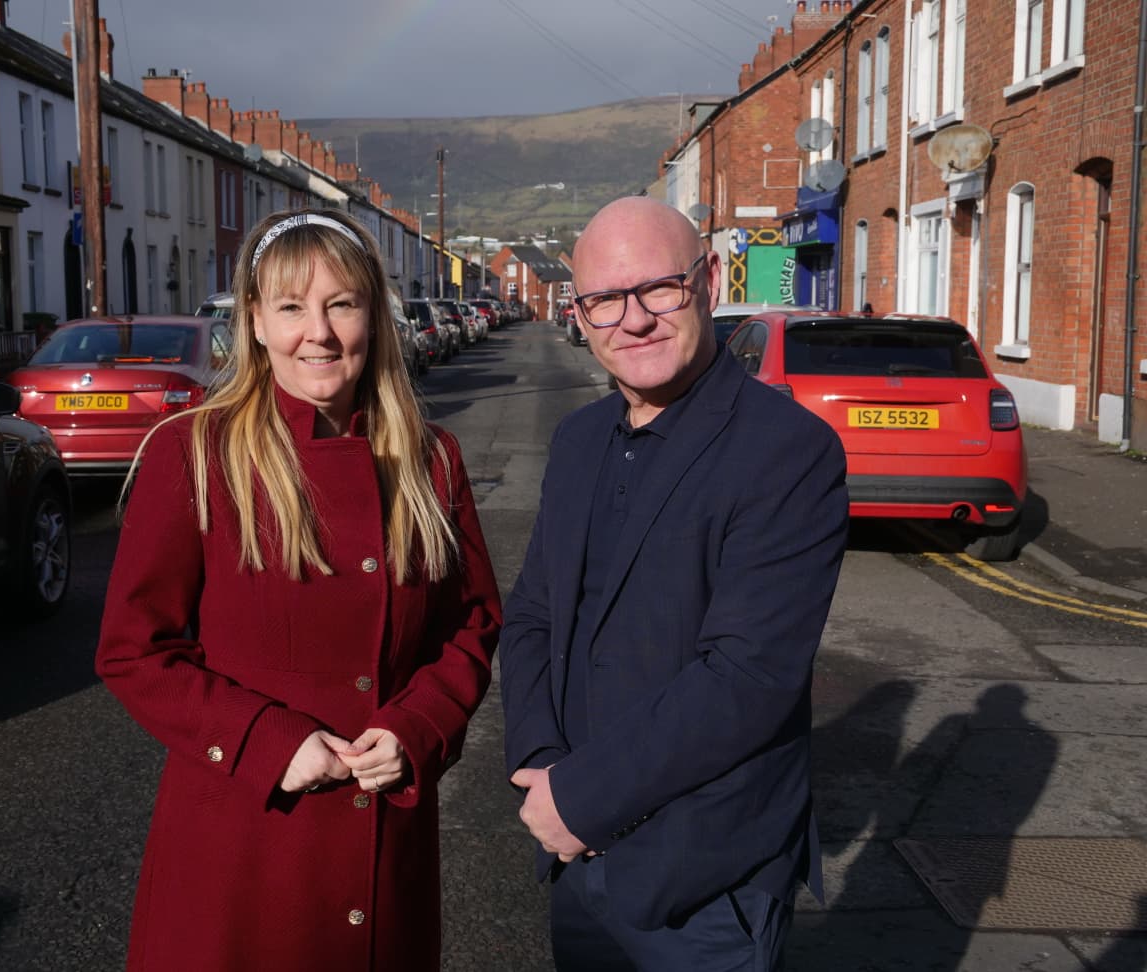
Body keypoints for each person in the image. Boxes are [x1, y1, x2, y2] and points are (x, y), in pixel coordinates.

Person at [97, 209, 502, 971]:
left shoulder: (431, 459)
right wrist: (268, 743)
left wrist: (419, 727)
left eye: (341, 304)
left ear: (373, 318)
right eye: (290, 307)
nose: (317, 332)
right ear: (254, 321)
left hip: (384, 846)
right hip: (243, 851)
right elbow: (134, 652)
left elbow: (471, 624)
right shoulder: (193, 455)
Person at [499, 196, 849, 971]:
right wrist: (542, 763)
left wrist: (582, 796)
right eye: (605, 300)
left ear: (710, 280)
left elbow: (750, 674)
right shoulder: (579, 440)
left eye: (660, 288)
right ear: (580, 316)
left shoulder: (788, 450)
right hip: (575, 857)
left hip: (705, 879)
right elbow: (532, 617)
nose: (635, 319)